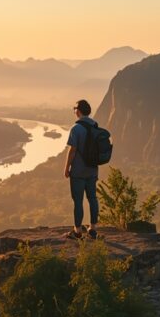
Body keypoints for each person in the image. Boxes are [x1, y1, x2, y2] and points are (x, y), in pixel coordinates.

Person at [63, 99, 99, 239]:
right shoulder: (95, 126)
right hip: (92, 170)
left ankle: (77, 231)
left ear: (78, 111)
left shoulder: (76, 129)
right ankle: (93, 228)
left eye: (75, 109)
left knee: (78, 201)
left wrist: (67, 168)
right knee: (93, 198)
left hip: (78, 171)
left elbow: (72, 150)